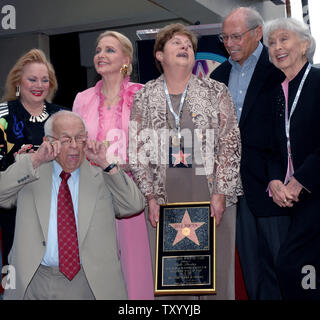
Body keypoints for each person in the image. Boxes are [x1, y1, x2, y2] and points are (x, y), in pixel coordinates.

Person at [129, 23, 242, 300]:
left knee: (216, 275)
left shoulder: (216, 91)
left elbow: (230, 142)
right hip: (165, 196)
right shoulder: (144, 95)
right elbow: (137, 150)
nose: (185, 47)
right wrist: (150, 197)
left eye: (189, 45)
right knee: (174, 280)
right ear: (159, 55)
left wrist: (221, 192)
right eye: (176, 43)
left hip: (211, 192)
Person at [0, 110, 145, 300]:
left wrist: (105, 163)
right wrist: (36, 159)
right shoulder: (30, 170)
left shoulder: (102, 173)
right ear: (48, 140)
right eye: (66, 139)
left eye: (80, 138)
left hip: (88, 283)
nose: (75, 146)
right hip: (33, 282)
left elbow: (134, 205)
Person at [210, 7, 290, 300]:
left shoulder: (277, 69)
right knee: (252, 271)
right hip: (235, 192)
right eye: (224, 38)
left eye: (236, 36)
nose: (229, 43)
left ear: (258, 34)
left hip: (274, 186)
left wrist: (277, 177)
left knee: (282, 268)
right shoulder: (218, 76)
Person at [73, 31, 153, 299]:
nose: (100, 55)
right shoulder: (82, 99)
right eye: (97, 50)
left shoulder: (143, 95)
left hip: (131, 192)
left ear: (126, 59)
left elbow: (153, 148)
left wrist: (123, 164)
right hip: (93, 194)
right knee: (99, 265)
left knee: (135, 265)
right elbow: (72, 145)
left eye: (109, 50)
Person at [264, 17, 320, 300]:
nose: (277, 47)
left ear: (305, 45)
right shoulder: (278, 93)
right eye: (271, 42)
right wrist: (275, 180)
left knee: (291, 263)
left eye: (284, 39)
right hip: (296, 199)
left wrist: (300, 180)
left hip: (314, 190)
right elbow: (276, 148)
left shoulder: (319, 81)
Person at [0, 49, 64, 271]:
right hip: (15, 216)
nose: (39, 85)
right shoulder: (2, 116)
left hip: (58, 212)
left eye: (45, 80)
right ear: (18, 82)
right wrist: (35, 160)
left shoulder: (63, 116)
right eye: (32, 79)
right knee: (19, 281)